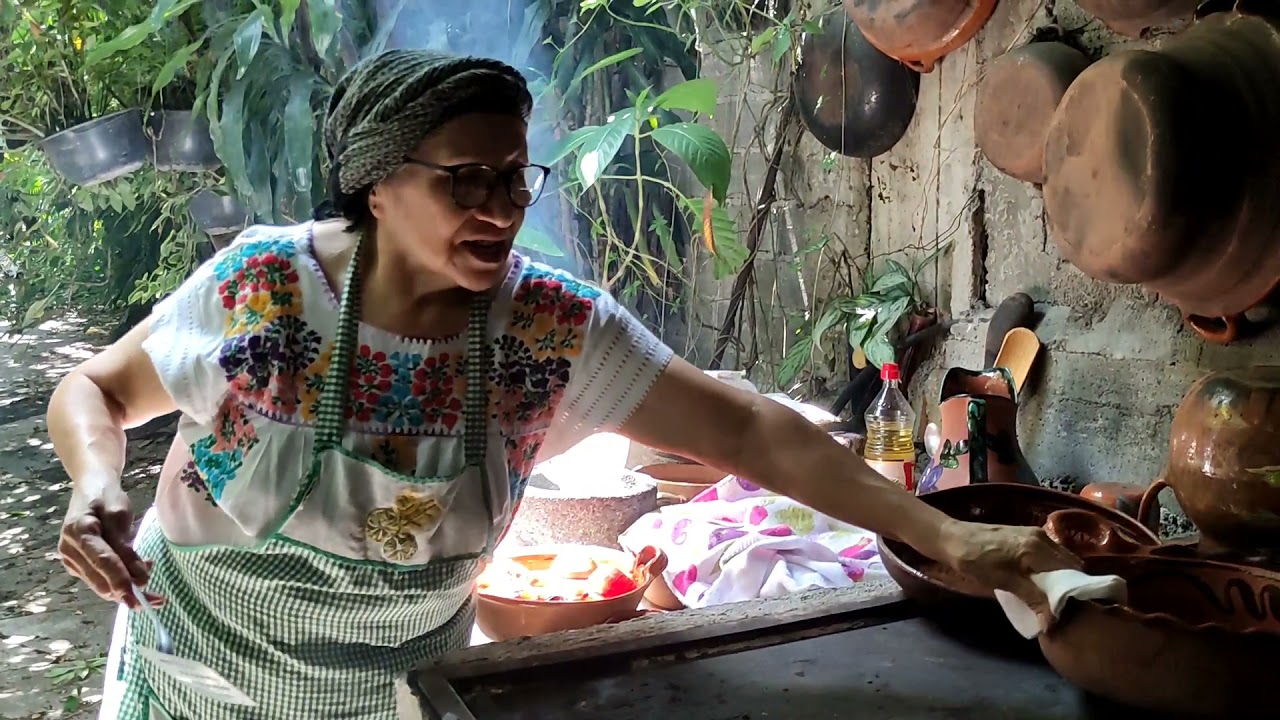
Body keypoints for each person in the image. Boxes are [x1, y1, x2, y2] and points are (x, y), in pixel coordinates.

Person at [48, 49, 1079, 720]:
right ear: (377, 183)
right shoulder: (265, 289)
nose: (502, 204)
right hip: (193, 685)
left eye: (515, 173)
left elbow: (752, 433)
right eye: (467, 178)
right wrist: (97, 487)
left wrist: (942, 535)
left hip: (388, 698)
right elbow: (92, 392)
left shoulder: (544, 329)